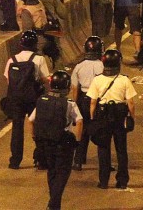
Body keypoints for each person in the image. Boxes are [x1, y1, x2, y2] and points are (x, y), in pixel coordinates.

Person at [28, 70, 82, 210]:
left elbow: (31, 121)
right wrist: (77, 141)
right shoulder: (69, 103)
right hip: (63, 143)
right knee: (63, 173)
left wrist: (35, 138)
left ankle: (54, 204)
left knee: (51, 171)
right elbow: (79, 121)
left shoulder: (42, 100)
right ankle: (53, 204)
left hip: (45, 142)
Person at [87, 48, 136, 189]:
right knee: (121, 150)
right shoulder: (124, 80)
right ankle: (122, 181)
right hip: (119, 116)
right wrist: (132, 118)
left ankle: (103, 181)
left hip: (103, 116)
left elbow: (93, 102)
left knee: (103, 148)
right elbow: (131, 103)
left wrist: (93, 118)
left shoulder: (97, 80)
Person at [4, 30, 50, 169]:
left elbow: (8, 80)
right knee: (37, 126)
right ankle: (41, 159)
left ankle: (15, 161)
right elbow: (45, 78)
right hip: (33, 97)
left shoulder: (12, 60)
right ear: (35, 44)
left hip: (16, 99)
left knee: (17, 129)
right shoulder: (39, 59)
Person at [70, 35, 103, 171]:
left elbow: (75, 89)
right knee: (101, 130)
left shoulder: (79, 66)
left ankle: (78, 160)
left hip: (83, 98)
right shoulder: (103, 66)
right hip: (99, 99)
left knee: (82, 130)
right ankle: (104, 163)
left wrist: (75, 105)